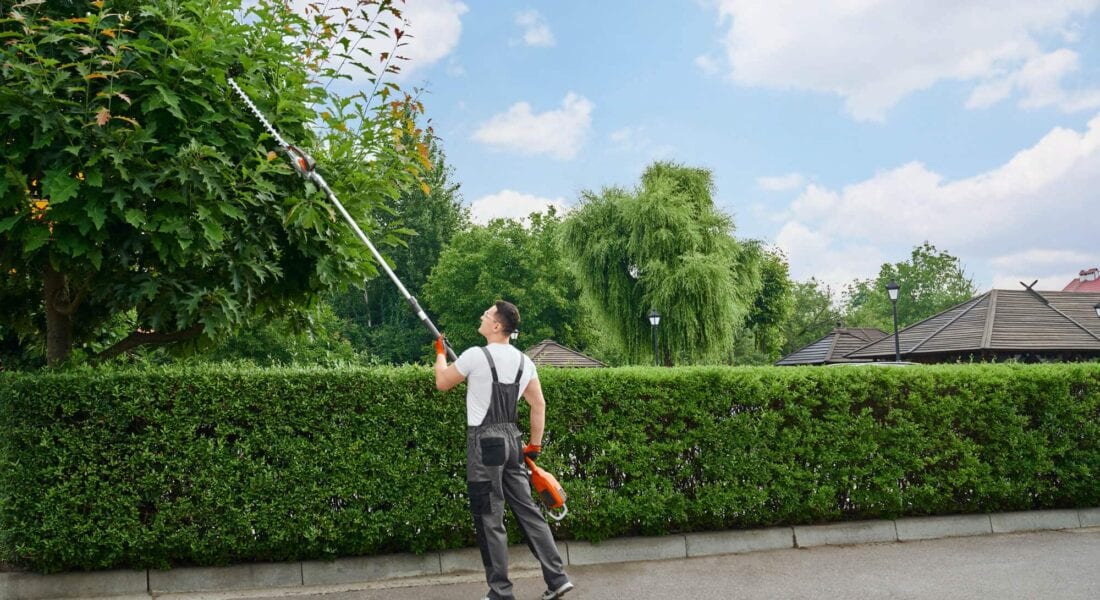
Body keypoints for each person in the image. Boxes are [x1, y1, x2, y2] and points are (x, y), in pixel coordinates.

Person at [434, 300, 574, 600]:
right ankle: (558, 578)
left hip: (485, 444)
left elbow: (443, 382)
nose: (482, 317)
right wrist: (533, 446)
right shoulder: (525, 361)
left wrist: (439, 355)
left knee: (489, 516)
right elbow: (539, 404)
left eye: (486, 315)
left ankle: (500, 591)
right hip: (513, 440)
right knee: (529, 512)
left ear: (497, 325)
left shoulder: (474, 355)